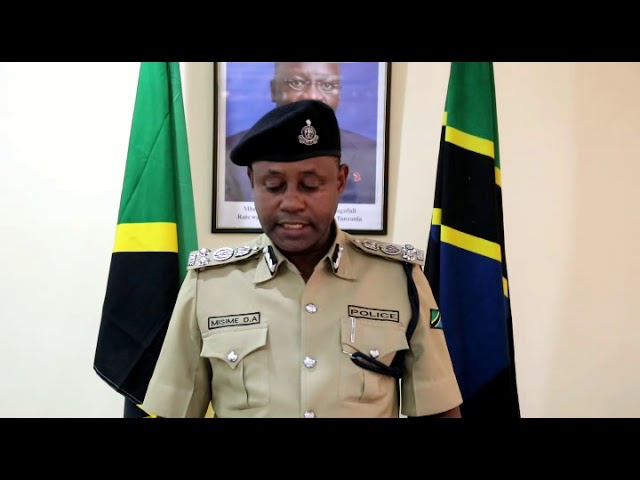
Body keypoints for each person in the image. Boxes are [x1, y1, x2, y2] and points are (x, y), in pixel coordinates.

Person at [142, 99, 462, 418]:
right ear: (252, 182)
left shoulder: (400, 280)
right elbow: (173, 411)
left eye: (310, 186)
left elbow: (438, 410)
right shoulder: (209, 285)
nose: (292, 202)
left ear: (340, 181)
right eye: (273, 186)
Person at [224, 62, 378, 204]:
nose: (313, 95)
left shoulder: (371, 159)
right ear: (274, 90)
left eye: (327, 85)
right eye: (297, 83)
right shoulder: (228, 159)